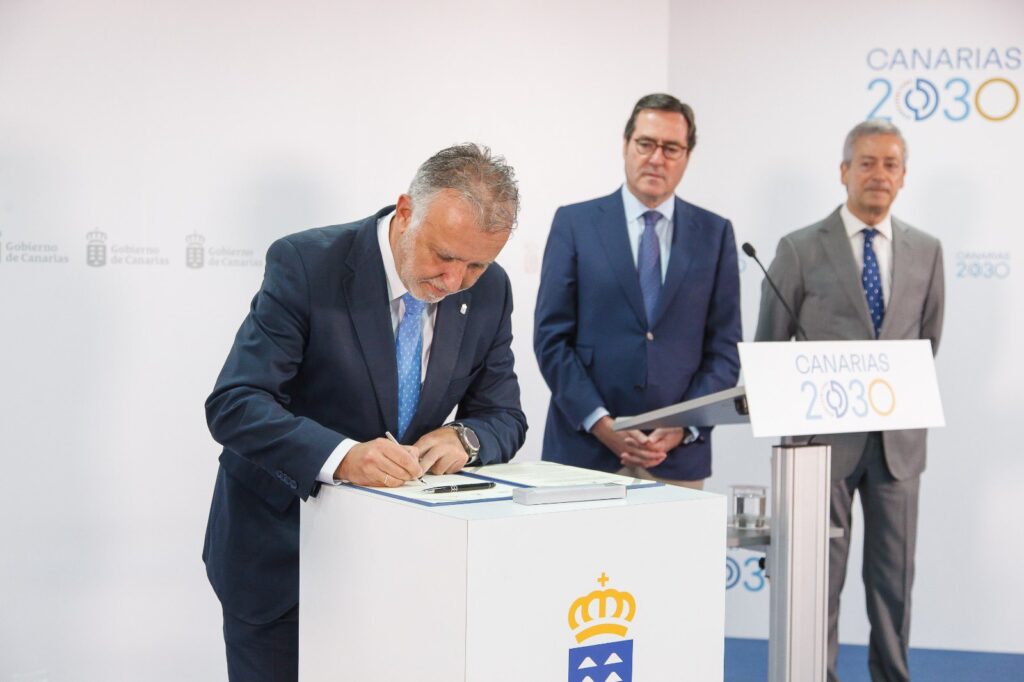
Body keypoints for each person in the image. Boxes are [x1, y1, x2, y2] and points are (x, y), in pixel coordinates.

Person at [202, 143, 527, 682]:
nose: (454, 281)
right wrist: (342, 457)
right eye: (444, 256)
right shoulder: (308, 263)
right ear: (406, 211)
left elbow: (504, 416)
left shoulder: (491, 291)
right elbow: (236, 404)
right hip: (281, 556)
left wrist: (465, 439)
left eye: (476, 264)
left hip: (402, 567)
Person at [755, 120, 944, 682]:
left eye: (890, 164)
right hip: (819, 450)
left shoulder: (927, 251)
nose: (878, 174)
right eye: (866, 162)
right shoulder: (798, 248)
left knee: (893, 584)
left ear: (903, 176)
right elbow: (768, 349)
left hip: (898, 448)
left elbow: (928, 341)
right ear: (843, 172)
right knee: (817, 585)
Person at [534, 93, 741, 488]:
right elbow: (551, 339)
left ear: (687, 156)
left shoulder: (715, 234)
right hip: (583, 454)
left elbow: (724, 349)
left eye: (671, 148)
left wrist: (683, 425)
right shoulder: (575, 223)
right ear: (626, 144)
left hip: (677, 458)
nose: (656, 158)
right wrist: (601, 423)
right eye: (646, 143)